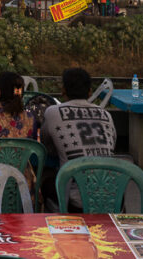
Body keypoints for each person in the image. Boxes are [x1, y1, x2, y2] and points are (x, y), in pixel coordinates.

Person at [40, 67, 117, 210]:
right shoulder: (105, 114)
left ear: (63, 90)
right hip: (113, 197)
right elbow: (112, 145)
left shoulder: (53, 112)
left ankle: (55, 222)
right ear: (89, 92)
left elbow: (46, 147)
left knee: (45, 177)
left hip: (76, 202)